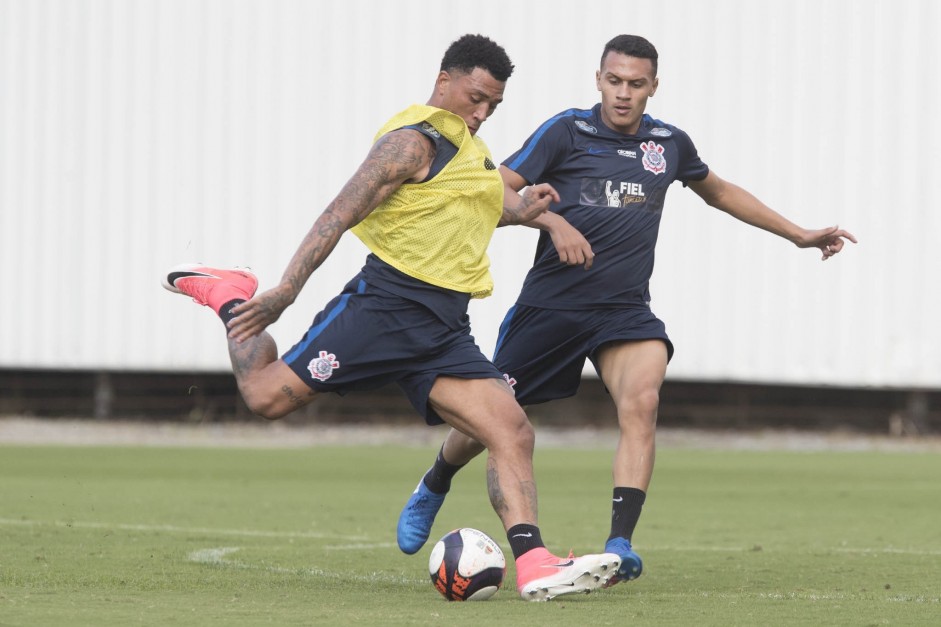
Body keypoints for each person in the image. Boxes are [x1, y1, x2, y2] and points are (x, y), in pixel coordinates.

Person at [162, 34, 620, 601]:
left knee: (512, 429)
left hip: (445, 328)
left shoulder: (471, 150)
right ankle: (228, 294)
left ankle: (534, 564)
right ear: (444, 79)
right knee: (264, 397)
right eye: (475, 97)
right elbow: (338, 212)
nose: (481, 112)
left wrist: (529, 214)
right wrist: (284, 290)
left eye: (493, 105)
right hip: (384, 309)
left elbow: (467, 209)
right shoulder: (410, 143)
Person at [395, 34, 857, 587]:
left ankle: (619, 546)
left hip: (624, 312)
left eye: (635, 84)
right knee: (494, 423)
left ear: (652, 87)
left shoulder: (668, 144)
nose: (623, 93)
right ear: (598, 80)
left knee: (642, 401)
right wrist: (551, 221)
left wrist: (799, 235)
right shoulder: (566, 131)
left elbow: (721, 191)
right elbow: (495, 191)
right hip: (551, 308)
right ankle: (438, 478)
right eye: (614, 81)